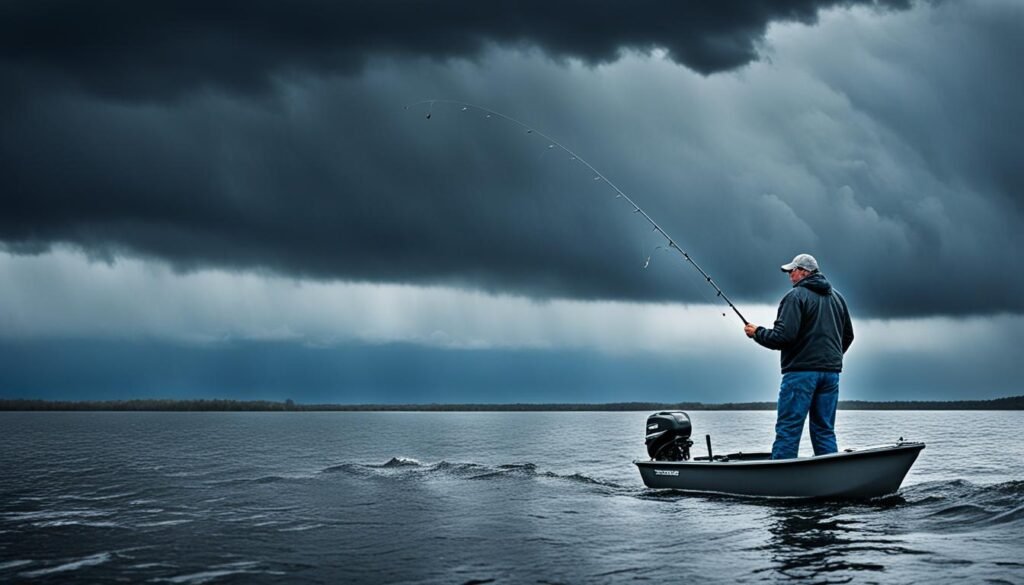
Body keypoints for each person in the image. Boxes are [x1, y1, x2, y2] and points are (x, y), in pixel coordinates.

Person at [743, 254, 854, 459]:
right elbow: (848, 336)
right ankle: (830, 475)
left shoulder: (795, 297)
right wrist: (830, 358)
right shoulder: (838, 299)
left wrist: (757, 333)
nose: (789, 276)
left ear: (804, 272)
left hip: (800, 374)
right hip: (831, 375)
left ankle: (779, 481)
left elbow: (782, 337)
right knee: (824, 429)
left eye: (792, 271)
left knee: (789, 428)